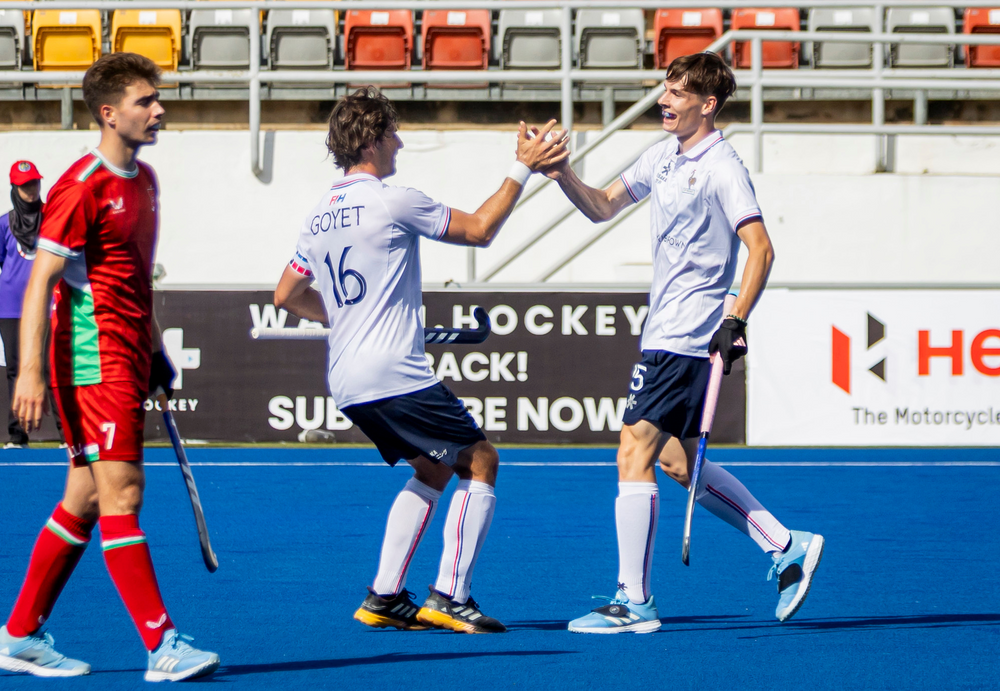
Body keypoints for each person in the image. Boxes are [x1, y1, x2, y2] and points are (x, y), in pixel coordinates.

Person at [537, 52, 824, 633]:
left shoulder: (723, 167)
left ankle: (634, 601)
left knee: (633, 450)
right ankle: (784, 543)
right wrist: (562, 173)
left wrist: (736, 319)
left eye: (677, 92)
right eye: (665, 88)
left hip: (689, 334)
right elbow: (602, 207)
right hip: (664, 329)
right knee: (675, 460)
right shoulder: (661, 156)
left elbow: (761, 248)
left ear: (707, 104)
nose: (664, 99)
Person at [274, 87, 568, 634]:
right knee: (480, 461)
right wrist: (522, 167)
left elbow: (286, 295)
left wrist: (350, 317)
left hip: (347, 378)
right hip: (392, 373)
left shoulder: (316, 217)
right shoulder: (393, 200)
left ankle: (384, 597)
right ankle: (451, 596)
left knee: (432, 467)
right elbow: (479, 229)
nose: (401, 143)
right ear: (372, 140)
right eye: (393, 134)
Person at [0, 53, 220, 681]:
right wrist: (29, 373)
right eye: (145, 101)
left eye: (157, 99)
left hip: (125, 355)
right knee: (123, 493)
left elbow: (131, 280)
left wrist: (155, 348)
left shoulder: (144, 179)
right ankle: (161, 645)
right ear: (108, 113)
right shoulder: (81, 186)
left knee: (86, 497)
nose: (159, 110)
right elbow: (41, 282)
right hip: (92, 363)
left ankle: (18, 636)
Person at [0, 161, 64, 449]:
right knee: (16, 370)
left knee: (53, 369)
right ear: (14, 188)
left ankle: (67, 435)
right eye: (25, 185)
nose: (31, 189)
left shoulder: (53, 217)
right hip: (11, 308)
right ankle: (18, 436)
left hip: (48, 306)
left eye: (35, 183)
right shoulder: (4, 223)